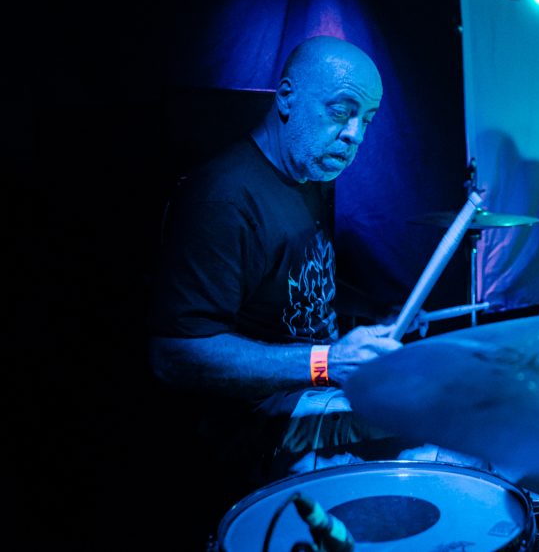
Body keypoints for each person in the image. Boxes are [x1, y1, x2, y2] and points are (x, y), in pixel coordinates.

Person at [147, 36, 480, 543]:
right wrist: (325, 363)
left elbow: (303, 283)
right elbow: (174, 353)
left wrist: (380, 313)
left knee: (461, 419)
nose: (353, 136)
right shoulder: (222, 197)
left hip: (310, 394)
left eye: (366, 120)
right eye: (341, 111)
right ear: (286, 97)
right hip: (259, 430)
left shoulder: (309, 174)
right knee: (449, 456)